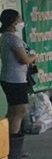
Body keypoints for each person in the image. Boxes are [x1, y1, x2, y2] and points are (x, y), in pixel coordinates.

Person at [0, 10, 36, 138]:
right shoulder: (12, 38)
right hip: (15, 79)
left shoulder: (5, 37)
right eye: (19, 19)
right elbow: (24, 59)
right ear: (13, 21)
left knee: (12, 111)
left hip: (9, 78)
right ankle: (13, 144)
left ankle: (5, 143)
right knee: (20, 111)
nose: (21, 22)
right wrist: (33, 57)